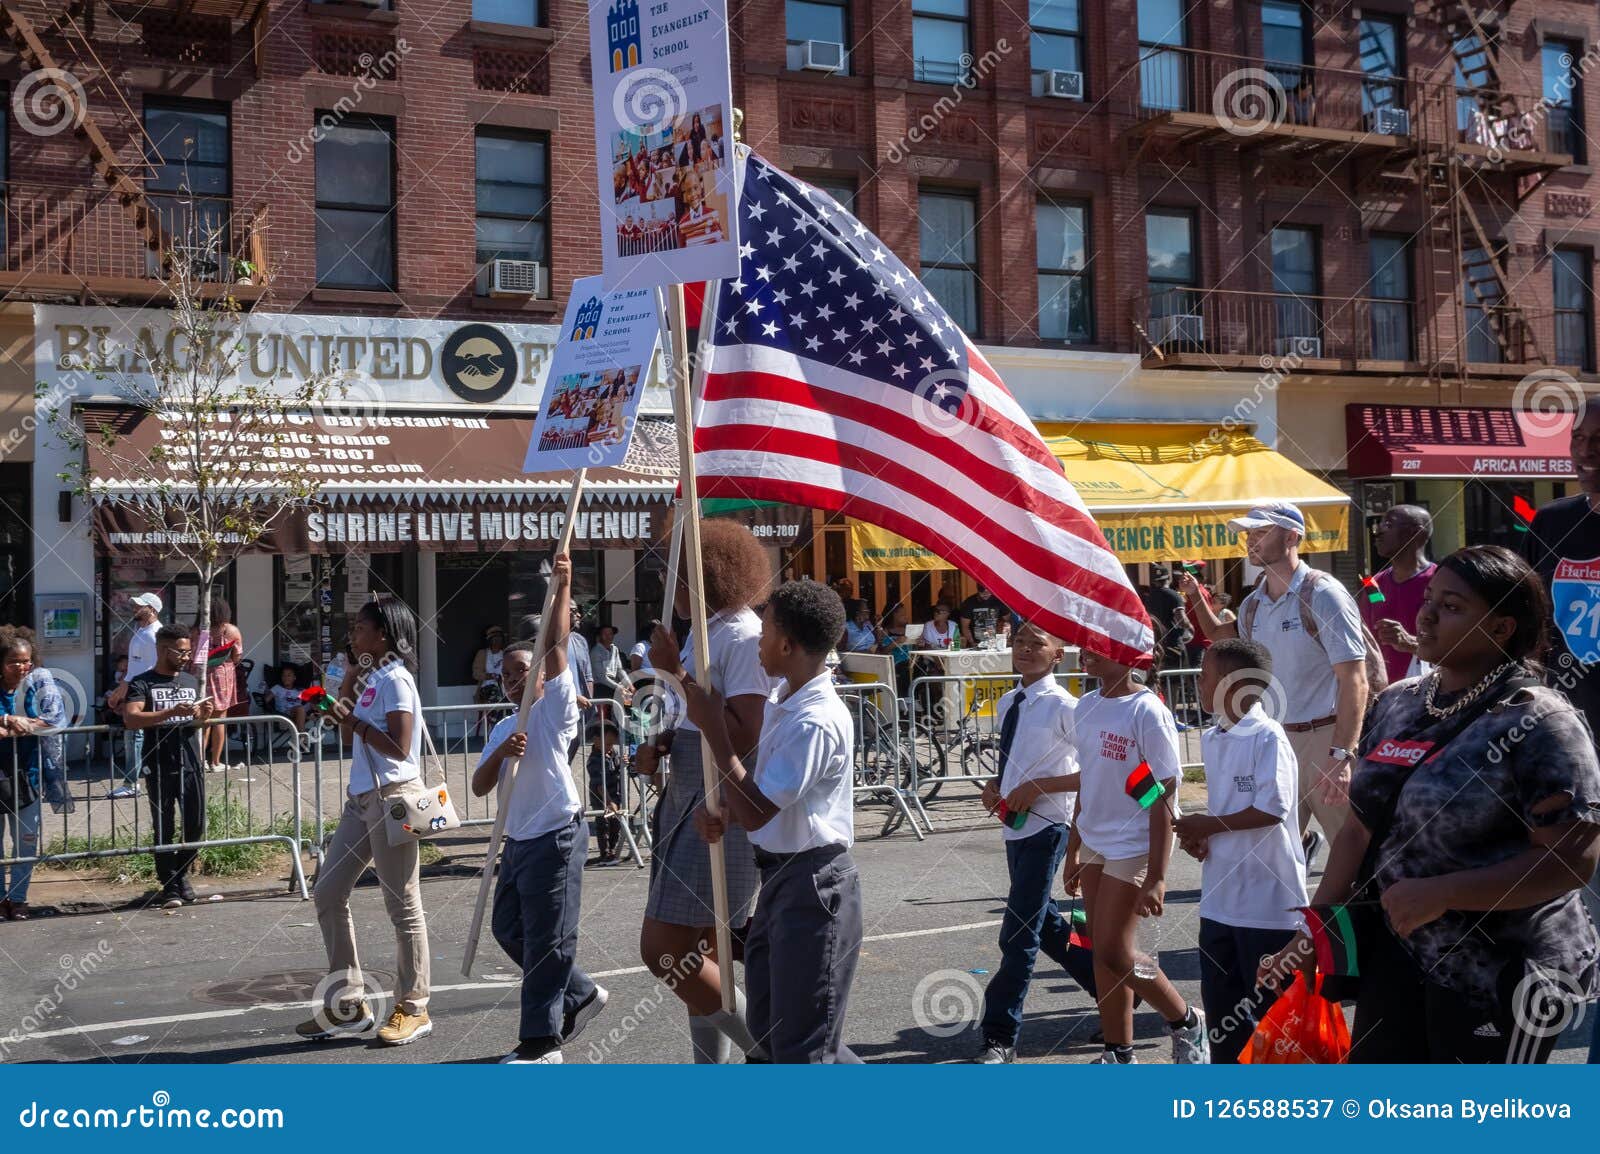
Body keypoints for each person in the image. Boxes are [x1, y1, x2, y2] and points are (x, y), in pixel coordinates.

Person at [1261, 546, 1600, 1063]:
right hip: (1399, 955)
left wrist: (1445, 892)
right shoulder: (1398, 702)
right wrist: (1315, 936)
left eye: (1452, 606)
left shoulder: (1541, 721)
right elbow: (1356, 830)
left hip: (1501, 973)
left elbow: (1572, 862)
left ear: (1502, 628)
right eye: (1430, 598)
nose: (1426, 615)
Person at [684, 579, 863, 1063]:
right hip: (782, 878)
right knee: (769, 1032)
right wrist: (725, 813)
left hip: (814, 884)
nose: (757, 641)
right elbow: (770, 807)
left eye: (764, 632)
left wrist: (714, 728)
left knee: (803, 1046)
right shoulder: (786, 698)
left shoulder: (816, 719)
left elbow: (763, 805)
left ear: (786, 644)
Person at [639, 518, 773, 1063]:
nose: (673, 585)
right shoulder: (702, 632)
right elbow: (702, 721)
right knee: (701, 949)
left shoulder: (741, 635)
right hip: (688, 791)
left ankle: (766, 1051)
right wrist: (668, 739)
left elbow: (745, 730)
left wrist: (676, 674)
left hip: (719, 797)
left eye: (682, 573)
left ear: (711, 577)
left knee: (664, 949)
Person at [470, 556, 609, 1064]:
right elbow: (481, 785)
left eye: (521, 671)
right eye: (506, 674)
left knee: (548, 939)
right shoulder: (504, 728)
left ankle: (541, 1043)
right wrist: (502, 755)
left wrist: (563, 587)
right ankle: (581, 993)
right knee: (508, 929)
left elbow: (554, 648)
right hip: (519, 841)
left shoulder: (556, 708)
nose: (513, 680)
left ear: (539, 677)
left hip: (556, 835)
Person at [1183, 501, 1370, 868]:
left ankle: (1372, 924)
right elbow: (1220, 638)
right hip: (1277, 739)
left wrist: (1341, 755)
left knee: (1356, 860)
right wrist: (1194, 597)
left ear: (1292, 536)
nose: (1251, 541)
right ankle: (1296, 927)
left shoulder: (1323, 594)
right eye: (1249, 533)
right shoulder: (1253, 603)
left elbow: (1355, 679)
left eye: (1261, 532)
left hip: (1324, 739)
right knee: (1273, 861)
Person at [297, 596, 432, 1047]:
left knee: (402, 904)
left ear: (384, 636)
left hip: (394, 797)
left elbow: (399, 746)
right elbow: (344, 727)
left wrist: (352, 718)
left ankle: (414, 1007)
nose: (352, 636)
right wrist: (347, 685)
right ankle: (349, 1002)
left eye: (359, 628)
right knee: (329, 891)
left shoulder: (397, 680)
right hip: (361, 800)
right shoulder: (372, 677)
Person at [1065, 644, 1209, 1064]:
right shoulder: (1085, 705)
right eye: (1087, 644)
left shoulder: (1146, 711)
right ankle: (1119, 1052)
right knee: (1099, 950)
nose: (1088, 652)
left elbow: (1164, 794)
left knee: (1115, 950)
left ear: (1131, 656)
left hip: (1134, 844)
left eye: (1101, 646)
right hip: (1094, 838)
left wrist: (1158, 877)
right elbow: (1088, 783)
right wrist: (1073, 850)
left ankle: (1186, 1021)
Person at [1173, 639, 1307, 1063]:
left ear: (1232, 684)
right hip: (1220, 902)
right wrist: (1204, 838)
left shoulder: (1268, 736)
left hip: (1269, 905)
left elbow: (1272, 807)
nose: (1197, 682)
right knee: (1223, 1018)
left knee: (1277, 1026)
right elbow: (1229, 811)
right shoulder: (1213, 738)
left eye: (1205, 674)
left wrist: (1207, 824)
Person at [974, 622, 1083, 1063]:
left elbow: (1094, 770)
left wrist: (1040, 786)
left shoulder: (1065, 706)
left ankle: (1000, 1035)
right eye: (1019, 641)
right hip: (1014, 824)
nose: (1024, 649)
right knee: (1046, 923)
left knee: (1019, 930)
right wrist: (996, 783)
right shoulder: (1008, 701)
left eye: (1037, 643)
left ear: (1057, 654)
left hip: (1049, 825)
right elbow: (1010, 759)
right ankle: (1110, 983)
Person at [122, 624, 216, 909]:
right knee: (164, 828)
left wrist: (205, 717)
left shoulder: (188, 681)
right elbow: (131, 718)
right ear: (164, 650)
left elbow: (195, 722)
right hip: (159, 764)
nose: (187, 657)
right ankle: (170, 885)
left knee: (195, 825)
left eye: (189, 651)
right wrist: (170, 712)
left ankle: (180, 873)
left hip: (190, 762)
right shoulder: (143, 682)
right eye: (182, 652)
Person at [1521, 401, 1600, 737]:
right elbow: (1527, 613)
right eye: (1578, 437)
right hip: (1565, 718)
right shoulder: (1552, 522)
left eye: (1599, 439)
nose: (1585, 451)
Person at [0, 627, 52, 921]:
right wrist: (7, 718)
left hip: (27, 777)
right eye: (13, 661)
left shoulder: (39, 688)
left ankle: (18, 898)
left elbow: (54, 721)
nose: (21, 667)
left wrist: (27, 725)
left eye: (26, 661)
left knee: (26, 842)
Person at [1363, 505, 1436, 686]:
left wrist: (1411, 643)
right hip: (1381, 696)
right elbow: (1363, 638)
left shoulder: (1441, 582)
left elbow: (1458, 648)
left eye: (1388, 525)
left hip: (1428, 693)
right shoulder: (1373, 584)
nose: (1378, 532)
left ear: (1416, 534)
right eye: (1378, 525)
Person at [106, 592, 162, 800]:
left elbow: (144, 669)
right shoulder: (142, 631)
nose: (135, 608)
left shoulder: (153, 634)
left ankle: (132, 782)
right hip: (139, 689)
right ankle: (137, 780)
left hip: (145, 691)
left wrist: (123, 692)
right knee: (136, 736)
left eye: (140, 606)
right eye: (135, 605)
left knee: (135, 736)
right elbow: (133, 670)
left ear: (153, 610)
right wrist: (120, 692)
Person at [201, 596, 243, 774]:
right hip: (222, 674)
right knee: (219, 718)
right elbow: (237, 656)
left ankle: (199, 759)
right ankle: (215, 761)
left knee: (202, 719)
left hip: (201, 675)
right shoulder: (231, 630)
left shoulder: (198, 629)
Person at [586, 719, 626, 865]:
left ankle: (613, 849)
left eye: (612, 744)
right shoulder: (594, 760)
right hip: (601, 797)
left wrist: (623, 762)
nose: (610, 747)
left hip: (615, 794)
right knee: (603, 824)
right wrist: (608, 802)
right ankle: (605, 852)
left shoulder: (612, 753)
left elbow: (616, 769)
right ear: (596, 740)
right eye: (608, 744)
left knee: (615, 824)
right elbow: (599, 784)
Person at [1142, 565, 1189, 670]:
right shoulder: (1174, 595)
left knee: (1161, 677)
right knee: (1178, 677)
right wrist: (1190, 628)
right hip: (1173, 643)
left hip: (1156, 643)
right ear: (1168, 578)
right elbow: (1182, 619)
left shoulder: (1149, 596)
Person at [958, 582, 1014, 647]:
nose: (986, 594)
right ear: (977, 589)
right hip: (976, 643)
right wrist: (972, 643)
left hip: (995, 643)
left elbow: (1009, 621)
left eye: (988, 591)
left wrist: (1006, 639)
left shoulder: (998, 600)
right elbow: (965, 627)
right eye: (982, 591)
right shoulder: (969, 602)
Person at [590, 624, 628, 703]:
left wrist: (628, 683)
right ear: (600, 636)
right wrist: (619, 687)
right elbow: (601, 677)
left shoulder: (614, 649)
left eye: (610, 634)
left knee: (630, 693)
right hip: (601, 685)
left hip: (613, 683)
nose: (608, 636)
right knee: (620, 695)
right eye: (605, 634)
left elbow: (619, 670)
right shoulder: (595, 652)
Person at [472, 625, 508, 705]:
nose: (497, 641)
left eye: (499, 638)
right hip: (487, 689)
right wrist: (491, 676)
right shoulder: (483, 654)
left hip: (505, 690)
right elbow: (476, 674)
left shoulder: (506, 654)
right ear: (489, 640)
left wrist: (502, 677)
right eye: (494, 638)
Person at [270, 665, 308, 734]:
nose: (286, 678)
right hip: (284, 714)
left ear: (294, 678)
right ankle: (302, 736)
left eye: (289, 675)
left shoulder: (299, 690)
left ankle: (328, 722)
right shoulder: (277, 688)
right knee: (300, 708)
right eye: (283, 675)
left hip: (298, 713)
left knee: (316, 701)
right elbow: (265, 701)